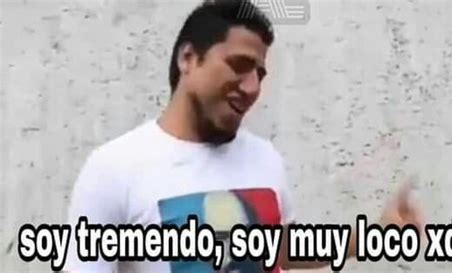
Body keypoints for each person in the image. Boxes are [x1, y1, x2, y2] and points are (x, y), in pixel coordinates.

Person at [64, 0, 424, 272]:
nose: (252, 87)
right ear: (188, 59)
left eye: (260, 74)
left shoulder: (264, 158)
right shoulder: (113, 170)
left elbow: (280, 246)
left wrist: (372, 236)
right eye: (238, 65)